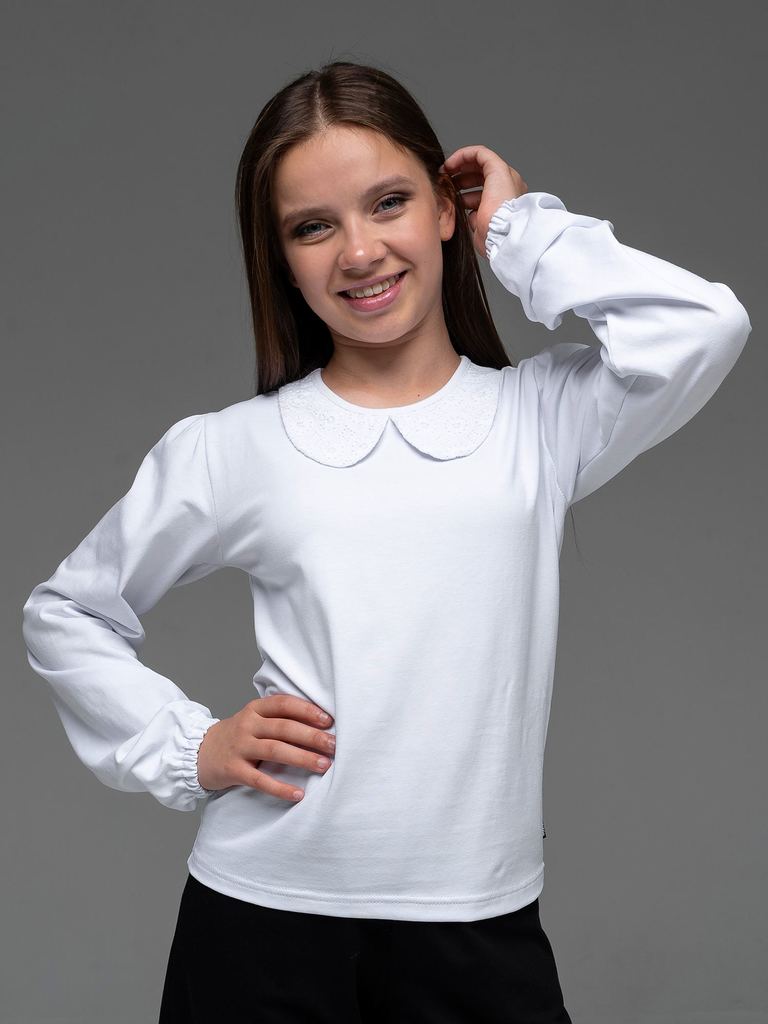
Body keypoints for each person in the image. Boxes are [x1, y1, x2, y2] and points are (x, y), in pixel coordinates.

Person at [21, 59, 751, 1024]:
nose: (359, 251)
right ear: (282, 259)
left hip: (477, 926)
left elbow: (705, 325)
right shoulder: (232, 449)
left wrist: (520, 231)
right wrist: (191, 746)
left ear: (447, 209)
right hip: (260, 924)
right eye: (312, 227)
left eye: (389, 202)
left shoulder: (541, 419)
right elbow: (66, 612)